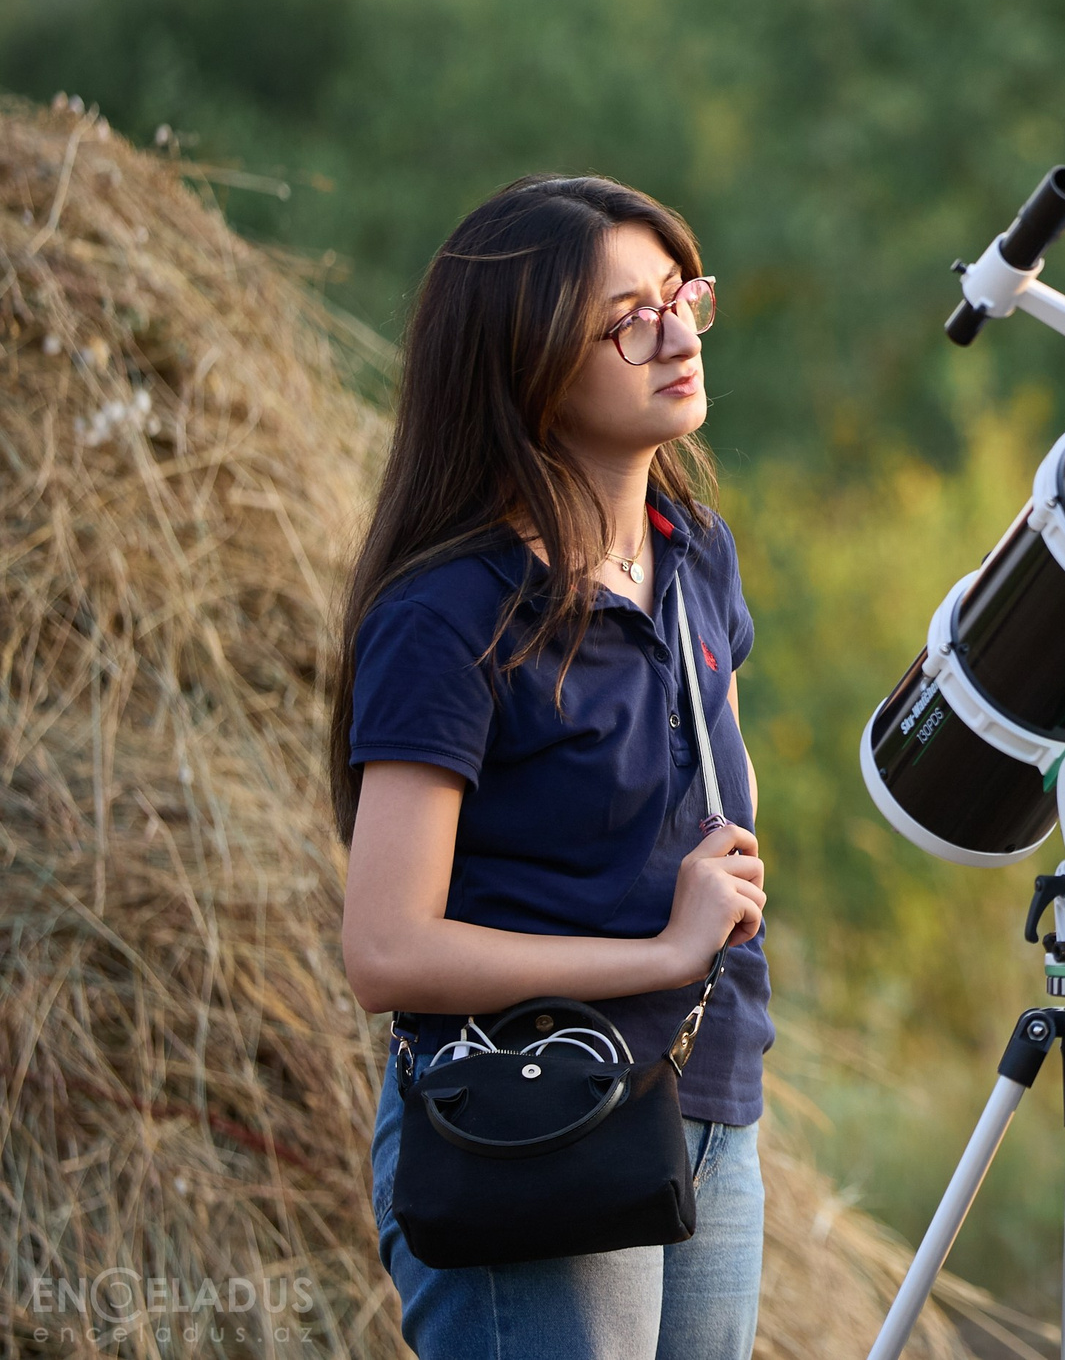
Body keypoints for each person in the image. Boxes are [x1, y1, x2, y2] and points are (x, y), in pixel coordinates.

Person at [332, 175, 772, 1359]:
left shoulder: (693, 554)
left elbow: (711, 820)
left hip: (706, 1102)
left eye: (680, 297)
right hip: (528, 1124)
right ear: (525, 368)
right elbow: (385, 949)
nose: (676, 336)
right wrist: (661, 953)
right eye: (628, 321)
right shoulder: (451, 614)